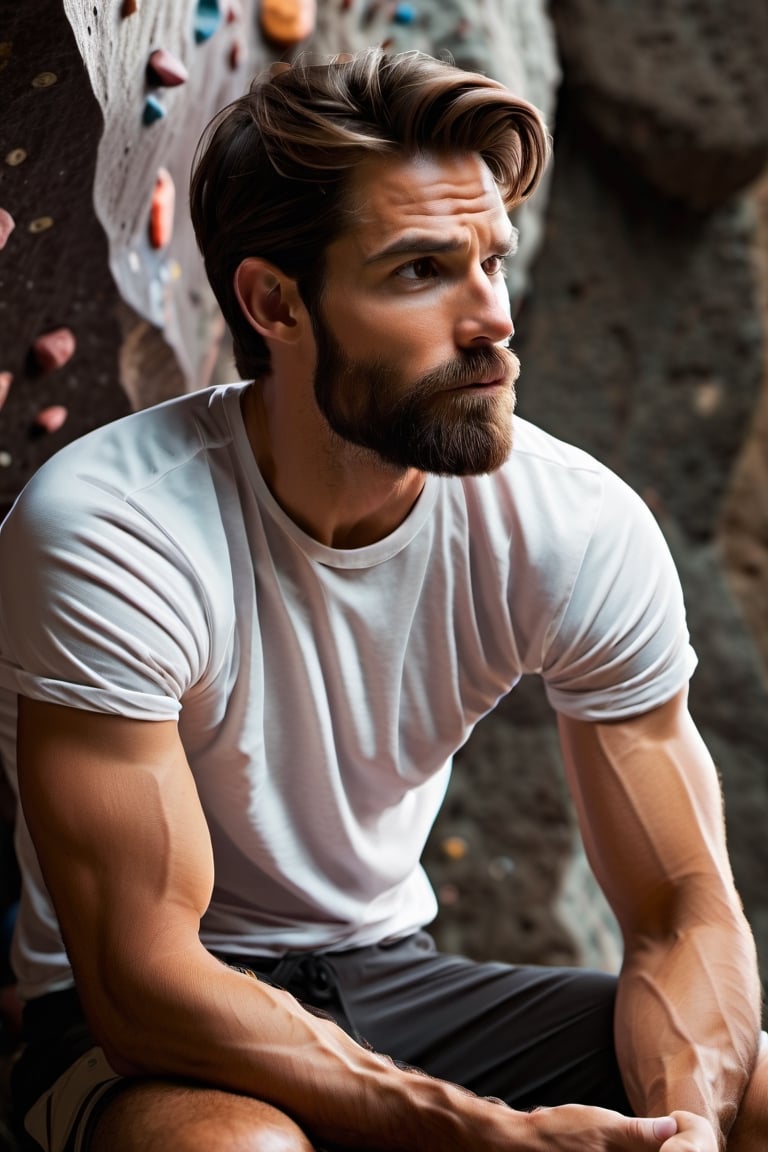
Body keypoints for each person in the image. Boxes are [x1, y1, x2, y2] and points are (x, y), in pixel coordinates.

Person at [0, 47, 764, 1152]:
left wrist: (681, 1128)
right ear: (275, 303)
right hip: (146, 1033)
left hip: (397, 981)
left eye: (491, 261)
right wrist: (477, 1136)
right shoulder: (116, 529)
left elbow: (684, 908)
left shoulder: (572, 524)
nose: (492, 319)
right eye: (420, 272)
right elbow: (142, 983)